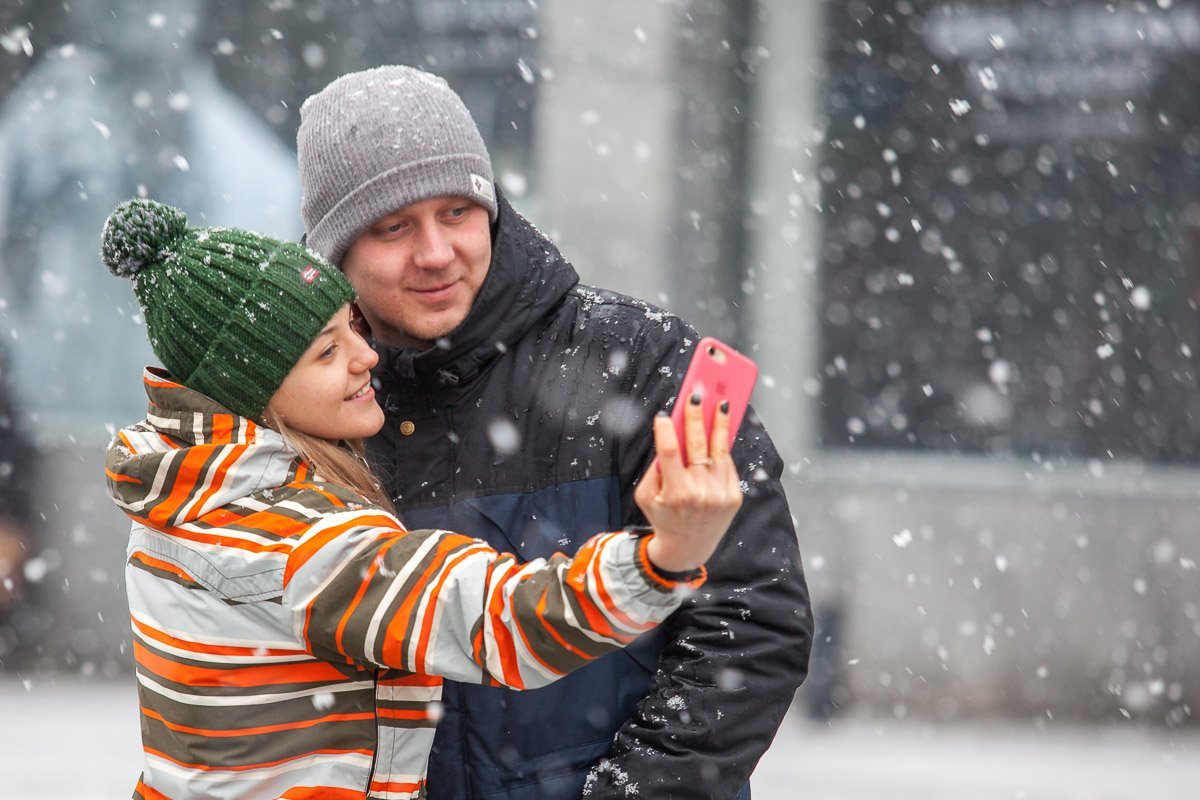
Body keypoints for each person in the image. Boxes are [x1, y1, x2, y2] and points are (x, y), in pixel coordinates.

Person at [99, 198, 744, 800]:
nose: (365, 357)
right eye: (326, 352)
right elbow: (497, 620)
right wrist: (663, 558)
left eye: (351, 327)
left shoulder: (186, 484)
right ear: (253, 393)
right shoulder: (286, 541)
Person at [297, 65, 814, 800]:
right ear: (335, 250)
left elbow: (750, 618)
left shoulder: (640, 362)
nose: (437, 252)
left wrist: (635, 790)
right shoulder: (303, 411)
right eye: (392, 227)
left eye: (456, 212)